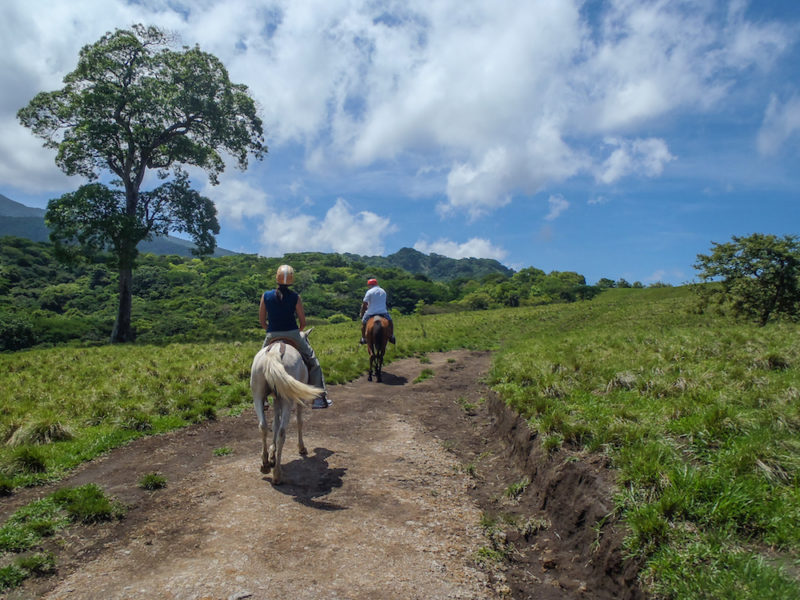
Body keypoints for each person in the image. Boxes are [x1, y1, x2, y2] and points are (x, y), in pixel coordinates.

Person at [260, 264, 331, 409]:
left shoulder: (266, 296)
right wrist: (296, 331)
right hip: (293, 333)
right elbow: (303, 322)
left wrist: (271, 330)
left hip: (272, 334)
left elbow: (262, 321)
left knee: (260, 362)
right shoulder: (295, 297)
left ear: (276, 279)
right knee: (313, 361)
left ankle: (262, 399)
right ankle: (318, 399)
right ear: (292, 280)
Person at [359, 277, 396, 345]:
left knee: (363, 323)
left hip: (371, 312)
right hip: (383, 312)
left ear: (370, 285)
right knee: (390, 322)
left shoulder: (369, 292)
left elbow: (364, 304)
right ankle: (391, 336)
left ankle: (363, 338)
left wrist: (362, 313)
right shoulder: (383, 291)